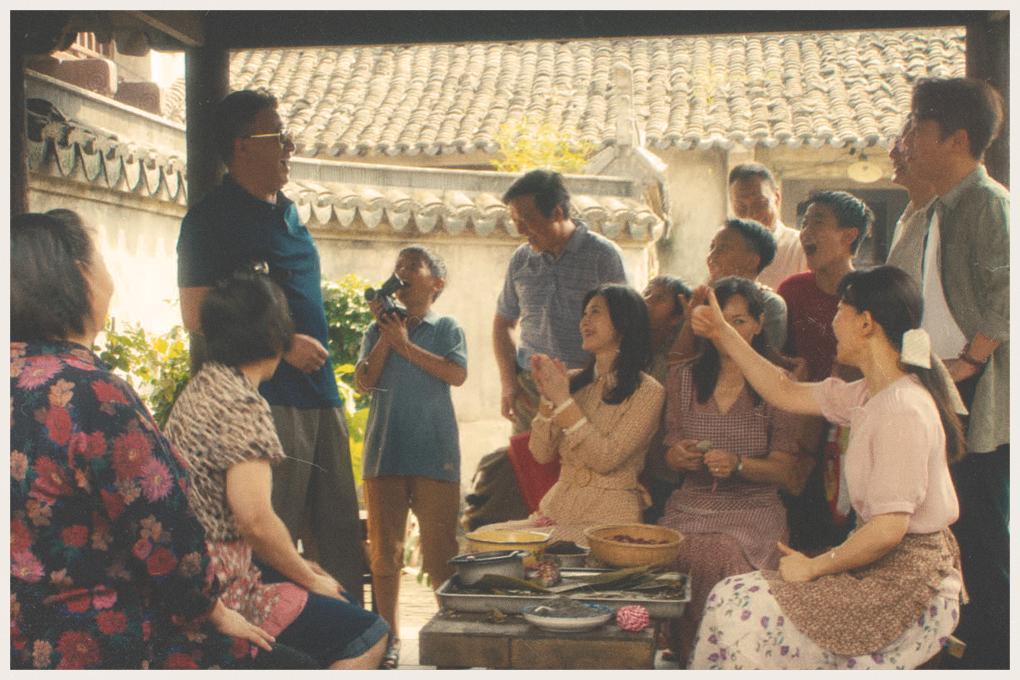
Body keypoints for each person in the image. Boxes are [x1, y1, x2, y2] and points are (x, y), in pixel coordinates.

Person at [11, 211, 273, 669]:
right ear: (82, 279)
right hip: (102, 641)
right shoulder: (92, 393)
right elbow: (162, 530)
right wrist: (211, 609)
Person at [688, 265, 965, 669]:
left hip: (908, 584)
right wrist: (723, 333)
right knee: (731, 596)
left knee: (738, 605)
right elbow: (783, 390)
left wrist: (814, 567)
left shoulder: (902, 408)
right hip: (879, 565)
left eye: (839, 311)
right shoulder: (870, 393)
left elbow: (889, 529)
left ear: (866, 323)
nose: (832, 323)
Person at [176, 89, 363, 602]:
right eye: (278, 135)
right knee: (273, 544)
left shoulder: (290, 213)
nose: (289, 146)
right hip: (265, 401)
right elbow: (196, 313)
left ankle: (353, 634)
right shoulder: (209, 220)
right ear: (242, 146)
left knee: (340, 537)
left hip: (321, 395)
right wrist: (281, 345)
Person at [164, 273, 389, 670]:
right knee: (368, 634)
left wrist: (300, 568)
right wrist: (310, 578)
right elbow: (254, 520)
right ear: (275, 335)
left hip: (190, 568)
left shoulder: (203, 386)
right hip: (221, 587)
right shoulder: (242, 404)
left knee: (330, 596)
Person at [901, 77, 1008, 669]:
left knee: (982, 539)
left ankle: (995, 658)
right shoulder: (939, 204)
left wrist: (972, 358)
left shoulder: (988, 201)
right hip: (939, 390)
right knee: (946, 535)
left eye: (919, 127)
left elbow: (1010, 289)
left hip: (977, 394)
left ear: (958, 139)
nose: (909, 139)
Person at [657, 277, 800, 664]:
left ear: (759, 324)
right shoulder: (683, 377)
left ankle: (727, 662)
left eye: (739, 321)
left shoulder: (779, 382)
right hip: (692, 503)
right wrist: (679, 457)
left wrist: (739, 464)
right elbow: (669, 450)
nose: (728, 331)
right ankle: (684, 659)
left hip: (753, 508)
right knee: (670, 550)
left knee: (722, 553)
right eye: (720, 320)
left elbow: (784, 469)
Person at [477, 284, 664, 545]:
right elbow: (541, 453)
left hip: (609, 521)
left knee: (505, 545)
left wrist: (563, 401)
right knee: (481, 539)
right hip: (558, 509)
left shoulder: (648, 391)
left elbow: (606, 459)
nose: (585, 321)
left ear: (624, 322)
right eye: (584, 314)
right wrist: (547, 399)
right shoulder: (572, 381)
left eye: (595, 312)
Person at [355, 245, 466, 669]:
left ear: (436, 283)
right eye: (398, 265)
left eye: (412, 266)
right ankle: (388, 641)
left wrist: (404, 345)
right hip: (385, 451)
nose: (401, 272)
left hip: (436, 453)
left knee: (440, 554)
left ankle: (451, 639)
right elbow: (365, 382)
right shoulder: (379, 330)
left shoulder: (447, 327)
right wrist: (388, 337)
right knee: (385, 556)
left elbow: (456, 373)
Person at [494, 169, 628, 434]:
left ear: (556, 212)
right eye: (515, 221)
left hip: (585, 388)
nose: (520, 230)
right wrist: (509, 382)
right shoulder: (521, 259)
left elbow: (624, 326)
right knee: (529, 458)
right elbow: (503, 323)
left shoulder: (603, 256)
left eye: (526, 219)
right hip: (531, 389)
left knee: (582, 457)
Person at [777, 191, 873, 552]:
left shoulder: (867, 295)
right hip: (798, 422)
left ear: (849, 235)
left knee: (840, 519)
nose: (806, 232)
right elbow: (778, 354)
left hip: (847, 425)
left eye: (818, 222)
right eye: (804, 223)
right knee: (798, 518)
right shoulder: (791, 290)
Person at [640, 275, 691, 523]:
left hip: (662, 467)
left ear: (676, 317)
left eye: (658, 298)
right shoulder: (636, 348)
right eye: (646, 293)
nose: (647, 300)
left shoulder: (678, 357)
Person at [728, 163, 808, 290]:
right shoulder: (727, 251)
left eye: (759, 204)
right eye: (741, 207)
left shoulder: (800, 247)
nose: (751, 214)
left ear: (777, 198)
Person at [885, 124, 936, 285]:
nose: (892, 154)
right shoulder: (907, 218)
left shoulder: (939, 218)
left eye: (903, 145)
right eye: (894, 143)